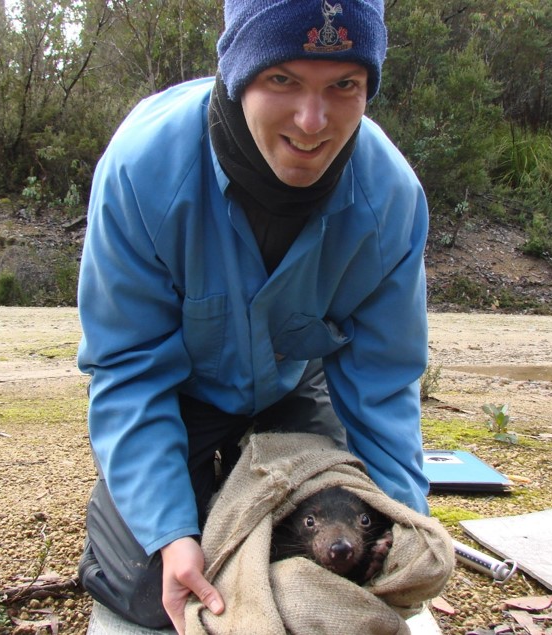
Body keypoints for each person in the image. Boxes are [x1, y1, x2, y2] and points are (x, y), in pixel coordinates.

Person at [76, 1, 431, 632]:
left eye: (343, 85)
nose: (313, 120)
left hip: (294, 382)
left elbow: (381, 383)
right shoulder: (142, 168)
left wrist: (405, 526)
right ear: (240, 74)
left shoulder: (391, 199)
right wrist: (170, 532)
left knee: (341, 553)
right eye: (283, 80)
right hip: (177, 389)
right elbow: (129, 369)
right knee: (152, 591)